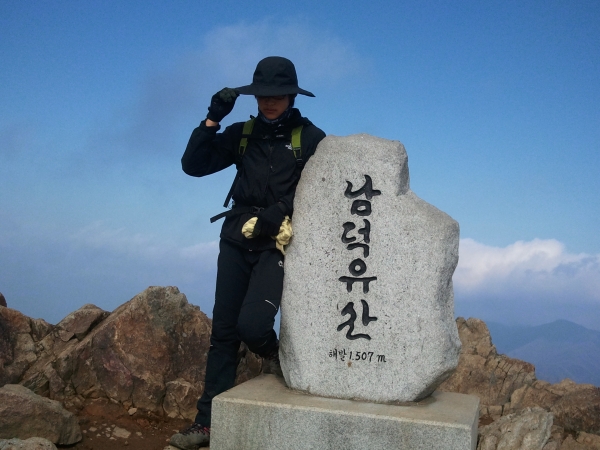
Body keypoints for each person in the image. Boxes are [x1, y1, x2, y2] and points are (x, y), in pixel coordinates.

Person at [169, 56, 325, 449]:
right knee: (223, 333)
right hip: (237, 237)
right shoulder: (243, 134)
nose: (269, 101)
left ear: (291, 96)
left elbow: (323, 189)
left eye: (277, 95)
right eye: (262, 95)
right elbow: (193, 165)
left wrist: (282, 208)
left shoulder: (310, 138)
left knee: (253, 326)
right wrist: (212, 119)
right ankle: (206, 424)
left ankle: (276, 357)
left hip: (278, 242)